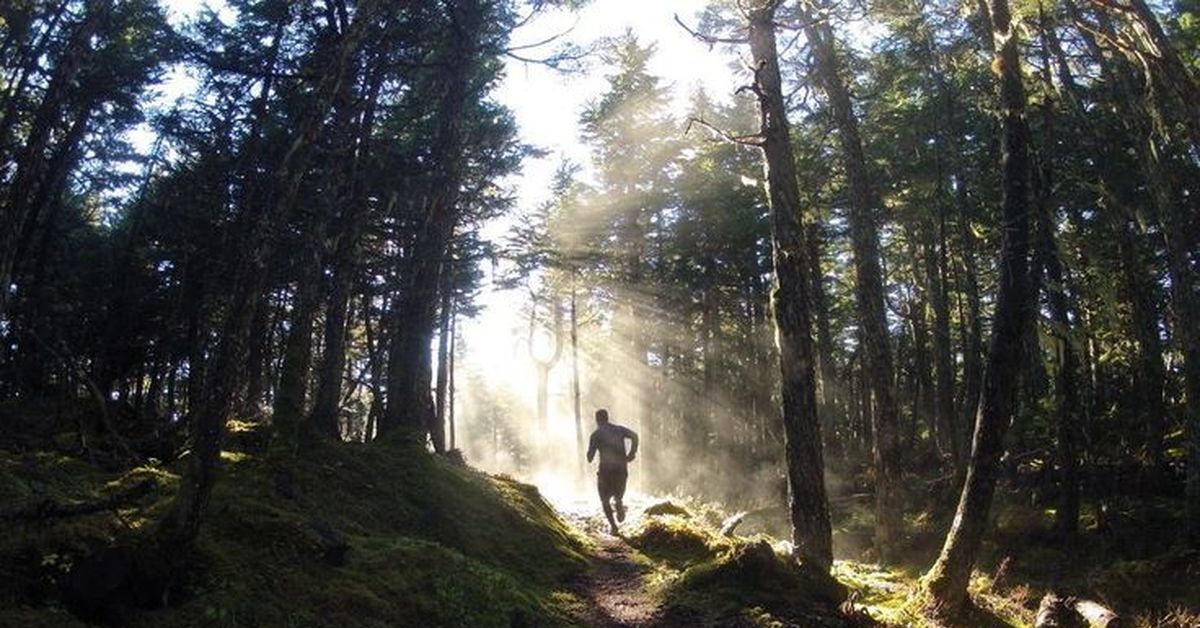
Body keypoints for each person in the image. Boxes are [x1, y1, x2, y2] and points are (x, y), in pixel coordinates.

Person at [586, 408, 639, 535]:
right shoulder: (619, 430)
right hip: (621, 469)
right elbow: (635, 436)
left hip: (605, 472)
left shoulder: (596, 435)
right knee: (618, 494)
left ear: (597, 420)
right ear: (607, 418)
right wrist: (632, 453)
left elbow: (590, 458)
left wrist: (590, 453)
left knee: (604, 500)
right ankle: (619, 501)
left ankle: (613, 526)